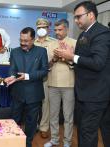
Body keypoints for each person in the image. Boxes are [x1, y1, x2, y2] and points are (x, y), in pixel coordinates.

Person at [54, 1, 110, 147]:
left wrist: (72, 57)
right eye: (75, 17)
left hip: (96, 95)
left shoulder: (102, 33)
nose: (76, 20)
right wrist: (70, 59)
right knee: (84, 131)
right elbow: (82, 61)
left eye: (79, 16)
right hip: (83, 93)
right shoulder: (83, 35)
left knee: (88, 132)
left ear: (91, 15)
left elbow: (98, 63)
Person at [4, 27, 48, 147]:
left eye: (26, 41)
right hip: (17, 92)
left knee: (31, 121)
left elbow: (44, 71)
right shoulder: (15, 51)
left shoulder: (41, 51)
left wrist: (28, 76)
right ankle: (12, 142)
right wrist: (11, 76)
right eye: (21, 40)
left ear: (33, 40)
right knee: (14, 119)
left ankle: (27, 143)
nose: (23, 43)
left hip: (34, 94)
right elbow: (12, 68)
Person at [44, 19, 76, 147]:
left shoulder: (74, 43)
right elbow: (46, 66)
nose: (57, 32)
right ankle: (55, 140)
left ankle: (67, 142)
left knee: (68, 116)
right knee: (53, 115)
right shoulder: (51, 45)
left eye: (60, 29)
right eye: (56, 30)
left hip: (69, 84)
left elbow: (78, 64)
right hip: (52, 84)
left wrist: (68, 58)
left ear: (67, 29)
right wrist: (54, 59)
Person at [34, 18, 56, 138]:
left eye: (44, 27)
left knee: (45, 103)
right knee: (33, 102)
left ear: (48, 29)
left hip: (47, 77)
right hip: (33, 78)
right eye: (39, 27)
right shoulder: (32, 42)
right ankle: (33, 125)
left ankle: (44, 127)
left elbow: (56, 59)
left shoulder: (54, 42)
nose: (41, 29)